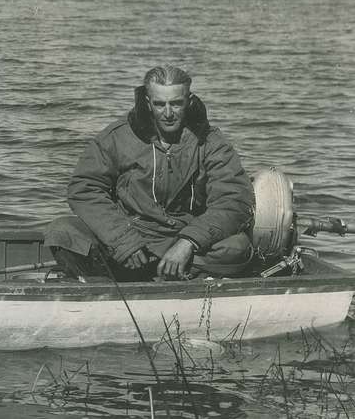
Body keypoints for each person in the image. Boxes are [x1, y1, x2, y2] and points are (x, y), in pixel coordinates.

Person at [44, 65, 254, 281]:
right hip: (129, 237)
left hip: (185, 239)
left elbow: (234, 199)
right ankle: (112, 282)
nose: (169, 113)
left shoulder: (211, 142)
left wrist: (188, 243)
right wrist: (123, 240)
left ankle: (167, 274)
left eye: (176, 104)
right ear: (147, 102)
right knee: (63, 231)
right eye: (160, 104)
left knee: (237, 248)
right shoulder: (116, 137)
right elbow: (84, 190)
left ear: (189, 101)